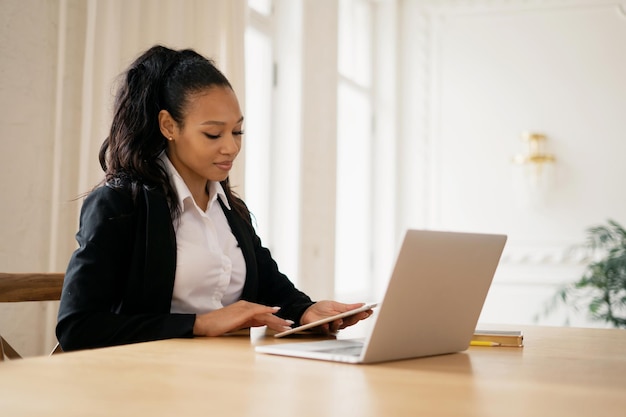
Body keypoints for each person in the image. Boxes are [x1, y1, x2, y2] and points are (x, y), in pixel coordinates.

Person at [56, 45, 372, 351]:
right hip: (148, 387)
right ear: (169, 125)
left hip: (227, 377)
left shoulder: (231, 210)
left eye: (237, 132)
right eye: (213, 134)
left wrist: (307, 311)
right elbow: (78, 327)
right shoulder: (119, 206)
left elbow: (271, 287)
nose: (231, 147)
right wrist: (200, 324)